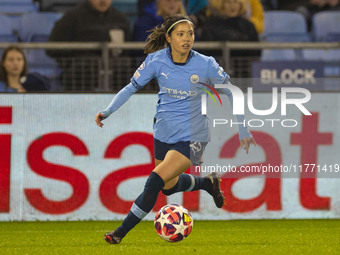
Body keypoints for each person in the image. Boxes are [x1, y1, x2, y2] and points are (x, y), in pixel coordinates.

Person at [95, 14, 256, 244]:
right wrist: (108, 111)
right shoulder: (156, 61)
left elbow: (231, 91)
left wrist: (243, 128)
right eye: (180, 34)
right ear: (169, 37)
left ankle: (120, 232)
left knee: (154, 181)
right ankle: (206, 183)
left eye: (190, 33)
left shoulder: (206, 63)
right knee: (168, 187)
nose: (187, 38)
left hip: (194, 135)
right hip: (163, 131)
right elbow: (131, 87)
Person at [46, 0, 131, 91]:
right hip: (81, 75)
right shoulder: (72, 16)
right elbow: (52, 48)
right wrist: (79, 54)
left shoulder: (120, 19)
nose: (103, 1)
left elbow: (128, 49)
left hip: (116, 74)